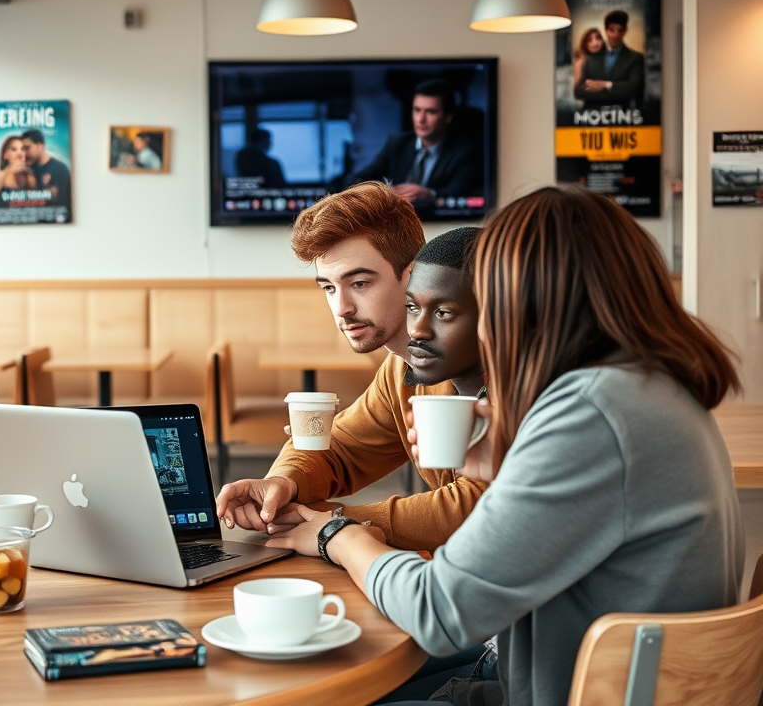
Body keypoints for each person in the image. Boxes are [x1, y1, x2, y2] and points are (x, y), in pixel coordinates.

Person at [267, 186, 744, 706]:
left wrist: (336, 533)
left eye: (495, 287)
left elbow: (439, 612)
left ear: (545, 294)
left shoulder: (592, 410)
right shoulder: (639, 385)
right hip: (571, 667)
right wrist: (503, 472)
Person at [215, 183, 487, 555]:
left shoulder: (506, 367)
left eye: (359, 283)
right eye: (328, 287)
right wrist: (283, 482)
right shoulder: (399, 370)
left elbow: (484, 506)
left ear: (413, 277)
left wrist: (338, 526)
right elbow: (340, 447)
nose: (341, 308)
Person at [352, 80, 483, 219]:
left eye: (430, 112)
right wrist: (385, 193)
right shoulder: (397, 143)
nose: (421, 119)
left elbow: (462, 194)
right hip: (395, 225)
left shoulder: (465, 151)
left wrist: (429, 194)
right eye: (417, 110)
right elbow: (357, 179)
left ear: (448, 116)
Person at [574, 9, 646, 108]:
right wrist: (618, 92)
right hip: (592, 117)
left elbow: (634, 89)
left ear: (625, 31)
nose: (615, 35)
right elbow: (578, 92)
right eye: (611, 30)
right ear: (606, 30)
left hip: (622, 118)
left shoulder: (635, 58)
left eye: (620, 30)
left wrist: (607, 85)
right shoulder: (591, 57)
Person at [21, 129, 72, 204]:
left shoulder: (60, 169)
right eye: (23, 149)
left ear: (40, 146)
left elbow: (60, 203)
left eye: (27, 148)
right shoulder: (27, 170)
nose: (24, 153)